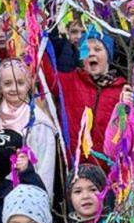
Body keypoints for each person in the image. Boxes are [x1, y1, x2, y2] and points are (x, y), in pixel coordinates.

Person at [43, 27, 127, 168]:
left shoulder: (121, 90)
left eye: (98, 49)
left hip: (108, 169)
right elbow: (47, 75)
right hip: (75, 166)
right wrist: (35, 40)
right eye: (86, 50)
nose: (91, 53)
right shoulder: (70, 81)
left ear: (108, 55)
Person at [0, 58, 60, 202]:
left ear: (29, 85)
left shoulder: (39, 123)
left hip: (29, 198)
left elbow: (46, 168)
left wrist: (41, 203)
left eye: (20, 83)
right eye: (7, 83)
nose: (14, 88)